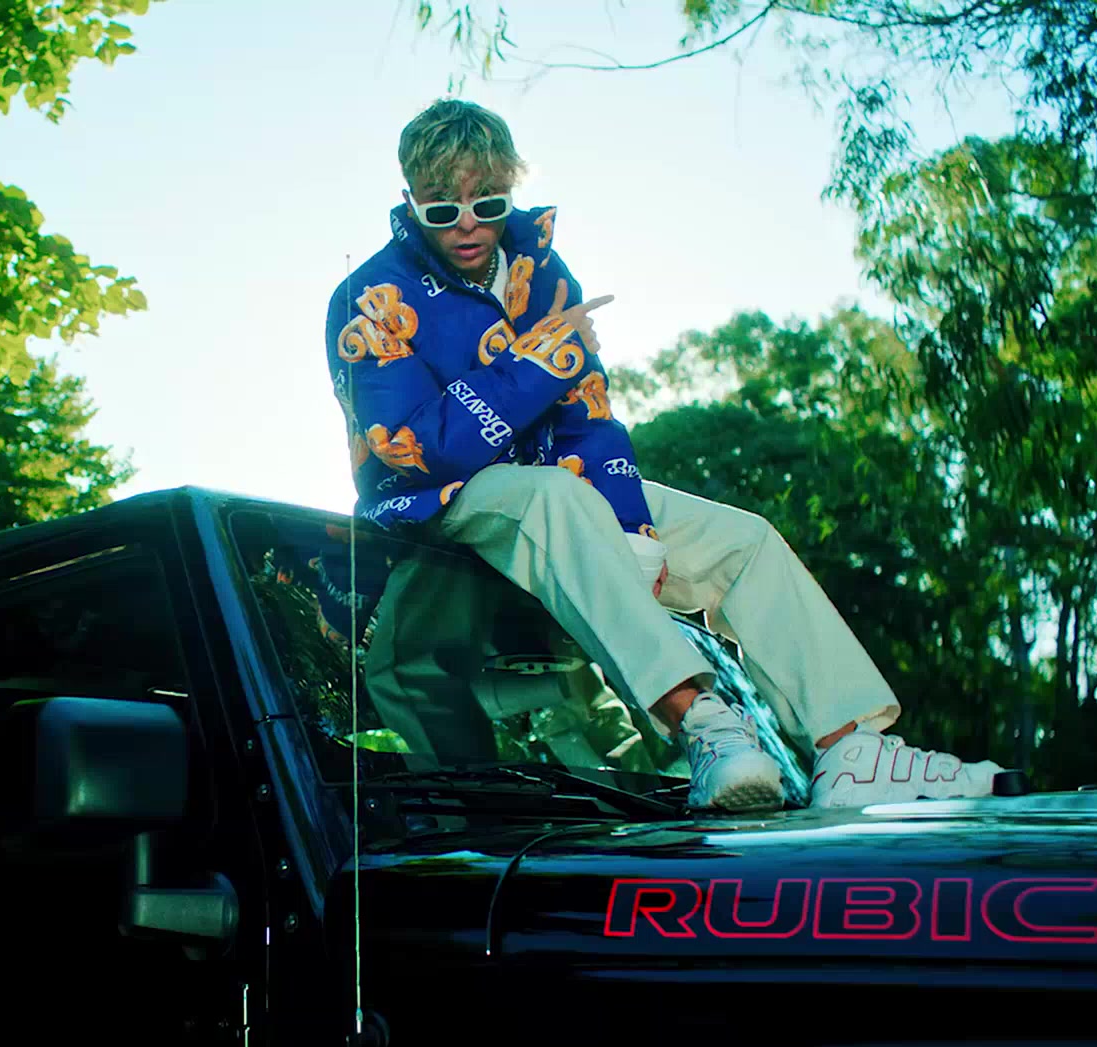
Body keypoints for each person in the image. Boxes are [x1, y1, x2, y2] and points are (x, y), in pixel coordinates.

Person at [322, 97, 1009, 812]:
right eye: (440, 209)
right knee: (552, 498)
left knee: (743, 542)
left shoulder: (544, 271)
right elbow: (416, 448)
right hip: (438, 505)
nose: (466, 225)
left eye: (486, 203)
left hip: (559, 483)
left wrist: (632, 526)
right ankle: (705, 727)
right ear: (410, 199)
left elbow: (588, 417)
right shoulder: (367, 297)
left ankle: (851, 750)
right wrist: (540, 364)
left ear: (510, 189)